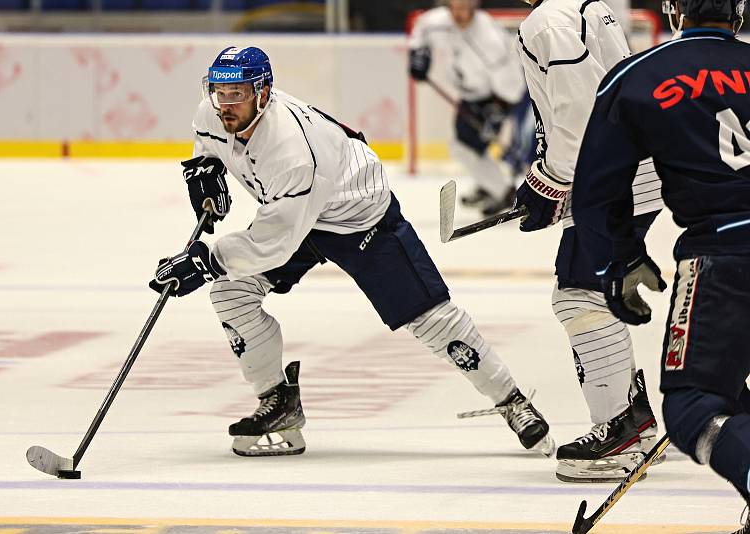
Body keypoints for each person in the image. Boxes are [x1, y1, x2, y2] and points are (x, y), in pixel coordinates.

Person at [148, 46, 555, 458]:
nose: (225, 104)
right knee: (230, 294)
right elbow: (207, 142)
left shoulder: (293, 150)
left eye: (237, 94)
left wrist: (206, 261)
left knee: (432, 320)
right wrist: (204, 169)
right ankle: (278, 403)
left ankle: (512, 401)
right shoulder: (213, 112)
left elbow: (274, 242)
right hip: (297, 213)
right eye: (219, 92)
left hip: (358, 216)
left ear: (264, 93)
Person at [571, 0, 750, 526]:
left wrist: (620, 261)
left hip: (724, 258)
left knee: (693, 405)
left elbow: (595, 196)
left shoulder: (636, 76)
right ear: (737, 14)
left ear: (675, 12)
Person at [512, 0, 665, 482]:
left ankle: (622, 430)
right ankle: (634, 417)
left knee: (579, 295)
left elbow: (579, 109)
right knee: (589, 292)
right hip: (623, 168)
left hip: (613, 174)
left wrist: (551, 179)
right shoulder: (587, 6)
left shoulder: (548, 20)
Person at [408, 0, 527, 216]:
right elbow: (421, 30)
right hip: (468, 96)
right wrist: (419, 55)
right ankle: (489, 186)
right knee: (472, 147)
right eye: (455, 8)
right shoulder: (438, 21)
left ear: (474, 6)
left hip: (493, 99)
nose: (458, 15)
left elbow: (512, 78)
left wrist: (498, 109)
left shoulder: (489, 35)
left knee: (463, 148)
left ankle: (503, 191)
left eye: (464, 9)